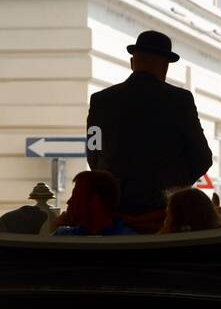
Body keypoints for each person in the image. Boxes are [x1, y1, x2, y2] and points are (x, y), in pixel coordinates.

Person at [86, 31, 213, 217]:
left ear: (132, 63)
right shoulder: (179, 101)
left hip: (117, 211)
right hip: (163, 213)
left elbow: (93, 151)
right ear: (165, 66)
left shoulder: (100, 101)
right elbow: (202, 157)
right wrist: (174, 187)